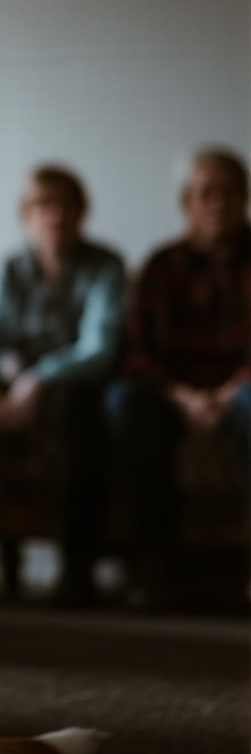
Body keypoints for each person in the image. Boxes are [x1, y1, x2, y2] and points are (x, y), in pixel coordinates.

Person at [0, 165, 127, 604]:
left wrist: (38, 379)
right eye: (44, 207)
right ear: (28, 215)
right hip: (11, 389)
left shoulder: (105, 266)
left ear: (80, 213)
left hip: (69, 388)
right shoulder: (8, 269)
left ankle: (76, 572)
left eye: (65, 206)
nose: (55, 216)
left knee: (81, 410)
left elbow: (99, 349)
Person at [105, 148, 251, 608]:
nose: (218, 203)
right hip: (174, 396)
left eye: (229, 192)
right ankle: (151, 566)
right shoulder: (161, 266)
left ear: (244, 198)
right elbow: (137, 353)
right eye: (207, 193)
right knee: (125, 401)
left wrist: (228, 395)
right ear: (188, 201)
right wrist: (185, 397)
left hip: (241, 393)